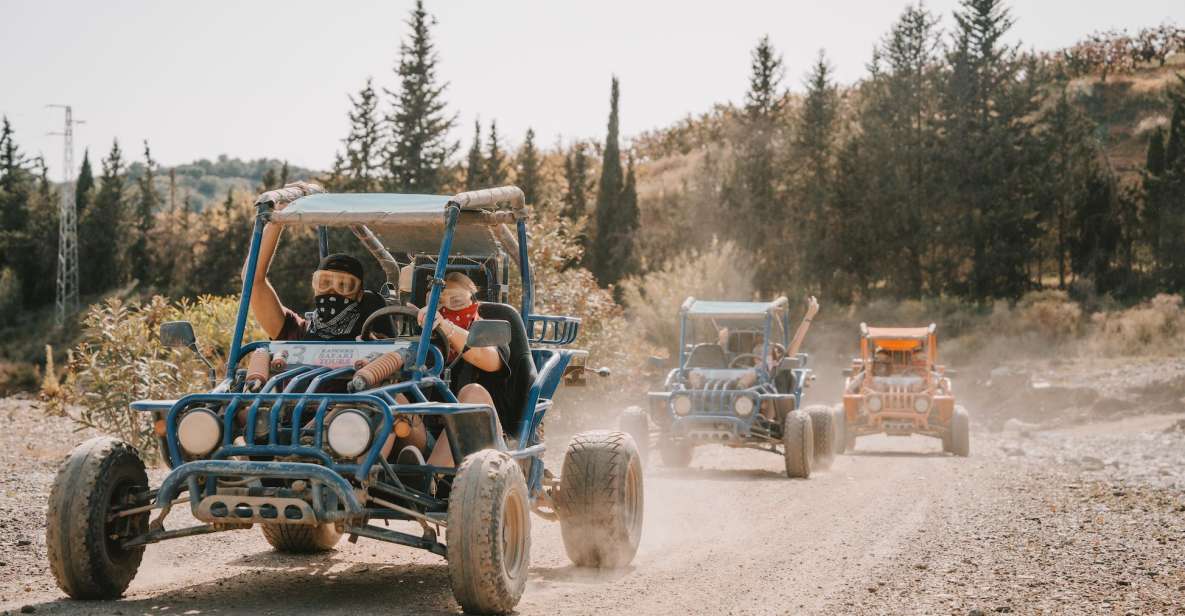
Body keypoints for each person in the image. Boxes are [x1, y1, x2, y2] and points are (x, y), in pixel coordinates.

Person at [241, 196, 393, 341]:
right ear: (315, 286)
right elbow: (251, 281)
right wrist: (278, 219)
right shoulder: (297, 331)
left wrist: (374, 342)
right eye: (324, 283)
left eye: (344, 285)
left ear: (359, 295)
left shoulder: (370, 335)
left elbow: (391, 354)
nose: (332, 291)